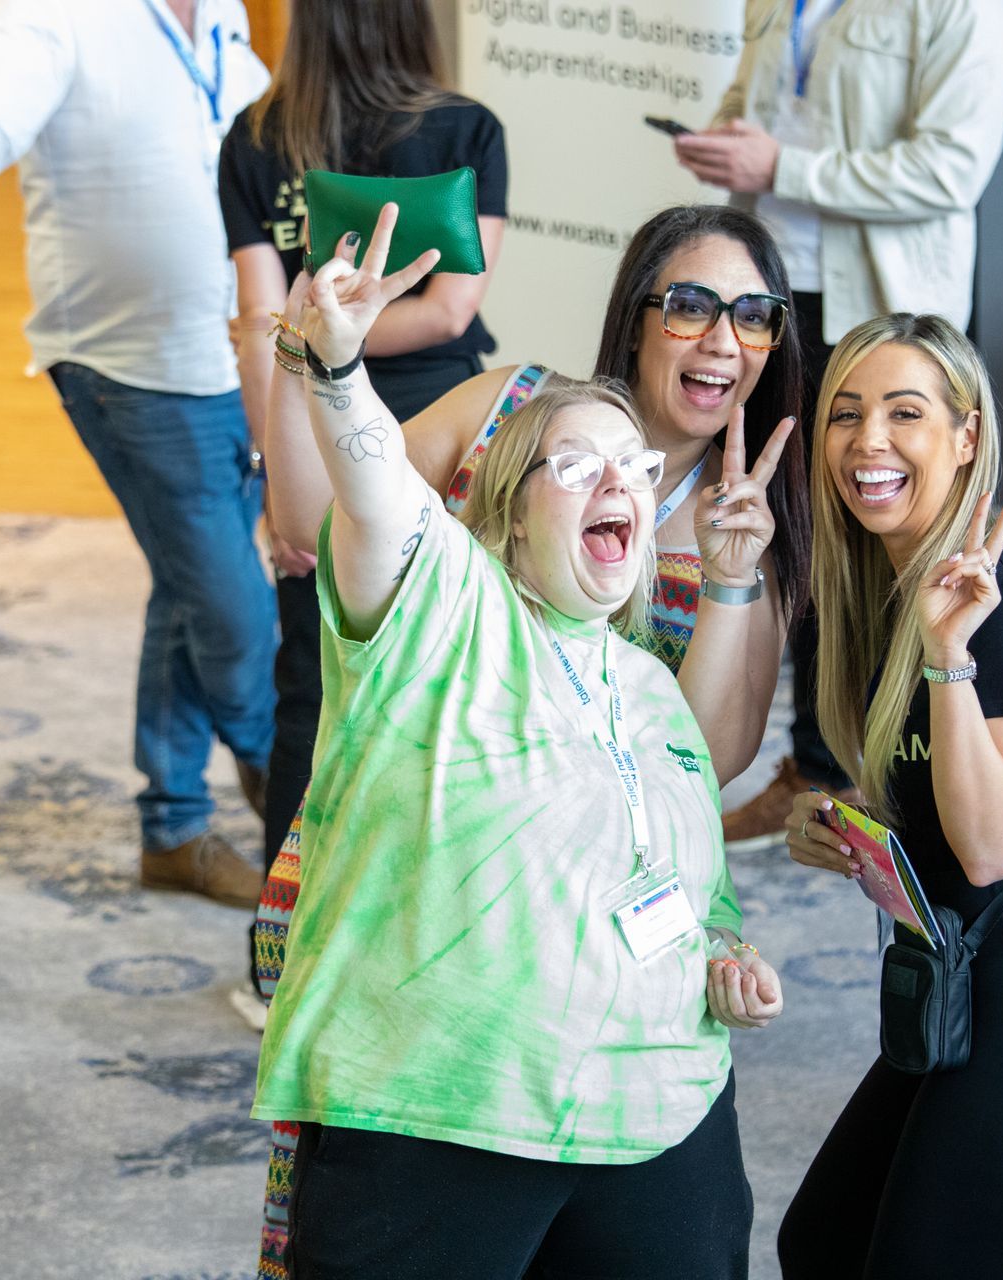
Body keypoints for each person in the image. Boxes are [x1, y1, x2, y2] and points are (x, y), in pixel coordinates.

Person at [249, 202, 809, 1276]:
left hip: (655, 1096)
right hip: (440, 1073)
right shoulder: (449, 600)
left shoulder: (656, 682)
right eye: (579, 467)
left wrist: (721, 949)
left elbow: (688, 828)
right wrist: (333, 369)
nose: (619, 484)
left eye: (635, 474)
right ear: (503, 514)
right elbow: (374, 494)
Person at [0, 0, 277, 907]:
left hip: (238, 356)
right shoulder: (49, 11)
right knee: (236, 615)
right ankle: (295, 785)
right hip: (127, 364)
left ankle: (174, 827)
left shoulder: (223, 11)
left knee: (187, 586)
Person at [778, 313, 1003, 1278]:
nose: (868, 442)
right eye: (846, 414)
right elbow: (929, 793)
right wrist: (841, 821)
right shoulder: (891, 589)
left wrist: (950, 656)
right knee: (818, 1248)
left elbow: (990, 848)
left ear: (967, 435)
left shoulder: (1000, 606)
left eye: (905, 413)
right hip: (964, 986)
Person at [673, 0, 1003, 849]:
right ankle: (818, 764)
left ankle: (913, 766)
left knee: (892, 532)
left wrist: (782, 165)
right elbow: (756, 101)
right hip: (775, 293)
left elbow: (951, 169)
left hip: (885, 305)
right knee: (796, 528)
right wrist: (726, 140)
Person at [216, 0, 508, 939]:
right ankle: (430, 927)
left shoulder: (255, 137)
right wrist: (347, 333)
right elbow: (453, 311)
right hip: (446, 434)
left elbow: (259, 325)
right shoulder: (467, 130)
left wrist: (279, 471)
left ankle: (281, 950)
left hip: (306, 416)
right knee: (444, 679)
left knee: (311, 687)